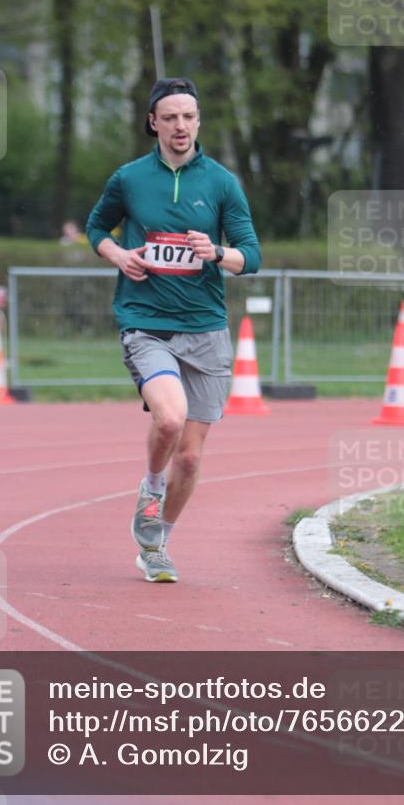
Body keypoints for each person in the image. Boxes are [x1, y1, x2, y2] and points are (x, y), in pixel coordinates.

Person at [86, 77, 260, 583]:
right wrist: (118, 254)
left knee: (190, 457)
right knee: (169, 420)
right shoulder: (129, 179)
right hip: (146, 323)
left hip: (205, 329)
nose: (180, 126)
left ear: (198, 122)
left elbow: (252, 254)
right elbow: (98, 228)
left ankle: (156, 543)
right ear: (153, 123)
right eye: (170, 117)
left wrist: (219, 253)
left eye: (188, 116)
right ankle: (150, 485)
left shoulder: (223, 183)